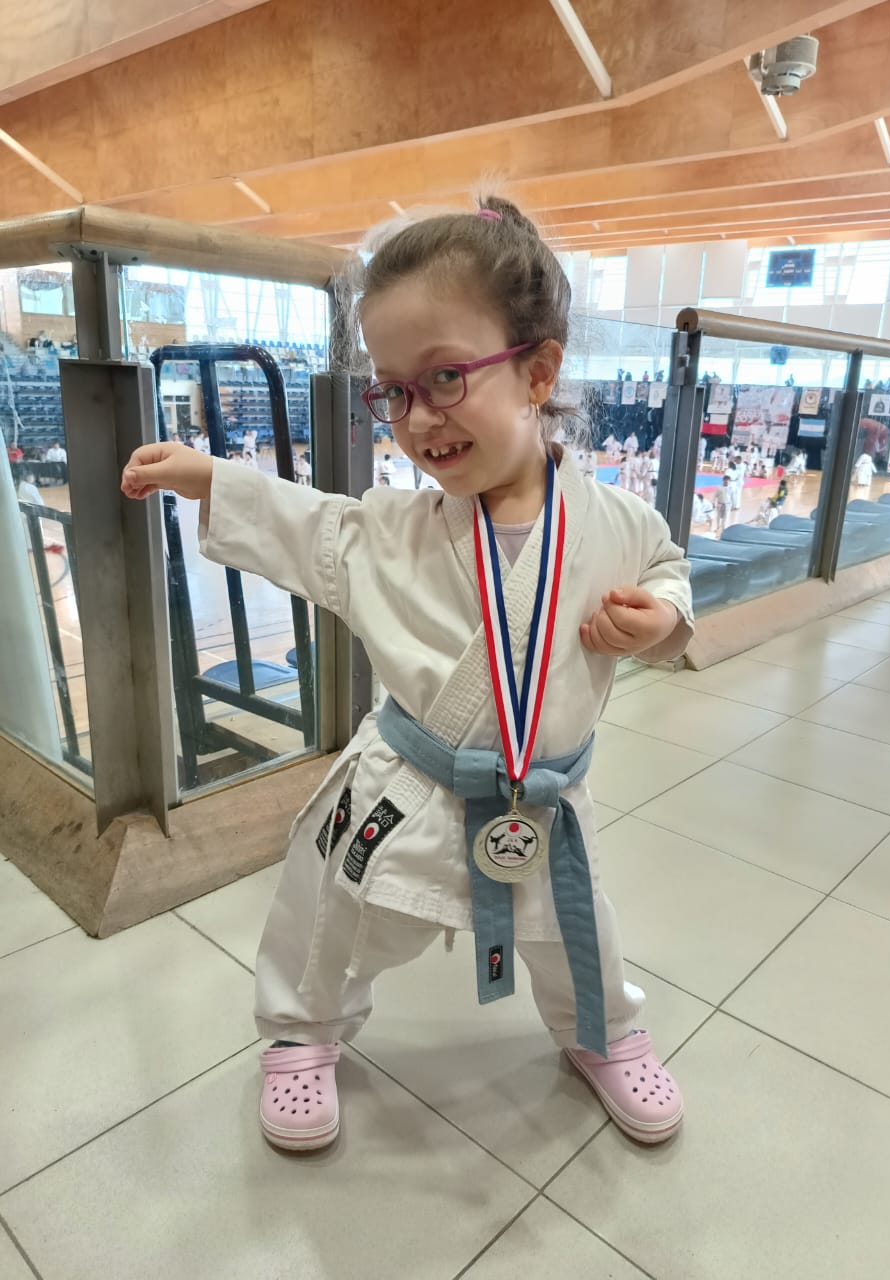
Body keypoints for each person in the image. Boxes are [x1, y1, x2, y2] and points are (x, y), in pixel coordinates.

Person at [120, 195, 693, 1154]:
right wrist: (211, 477)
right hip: (407, 788)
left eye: (444, 378)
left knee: (576, 931)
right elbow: (311, 522)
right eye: (393, 391)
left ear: (538, 370)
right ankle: (301, 1035)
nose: (417, 418)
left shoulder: (618, 525)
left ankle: (603, 1031)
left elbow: (672, 564)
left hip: (540, 800)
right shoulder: (390, 530)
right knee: (331, 918)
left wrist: (665, 615)